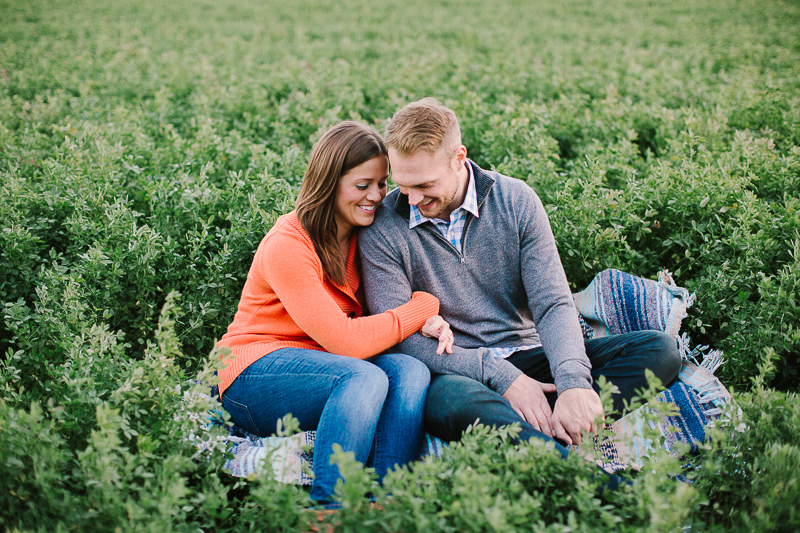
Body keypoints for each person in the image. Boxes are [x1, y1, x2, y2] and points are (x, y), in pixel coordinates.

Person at [359, 98, 681, 458]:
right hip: (457, 370)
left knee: (660, 350)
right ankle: (564, 460)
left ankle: (546, 422)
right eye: (402, 185)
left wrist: (573, 384)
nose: (412, 198)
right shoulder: (383, 226)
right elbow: (401, 339)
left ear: (458, 158)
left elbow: (553, 302)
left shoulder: (516, 200)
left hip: (528, 353)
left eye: (425, 184)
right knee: (452, 403)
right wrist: (501, 376)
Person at [216, 121, 454, 504]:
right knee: (363, 378)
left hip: (321, 366)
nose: (376, 196)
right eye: (362, 186)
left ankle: (384, 502)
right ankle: (330, 511)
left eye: (381, 184)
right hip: (253, 374)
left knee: (411, 370)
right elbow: (346, 341)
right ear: (329, 183)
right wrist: (422, 306)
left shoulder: (366, 237)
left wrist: (425, 317)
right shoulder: (289, 243)